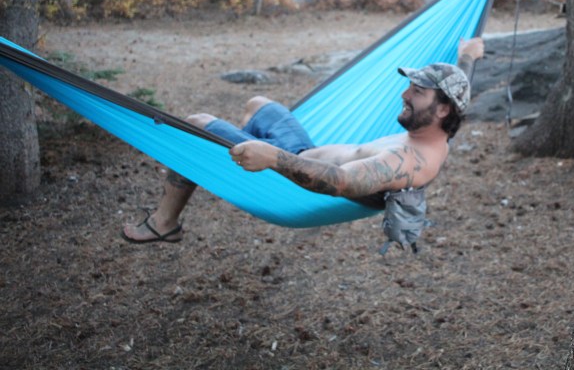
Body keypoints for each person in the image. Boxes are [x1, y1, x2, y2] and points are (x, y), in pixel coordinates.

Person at [122, 37, 485, 244]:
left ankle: (164, 223)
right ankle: (230, 158)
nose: (405, 95)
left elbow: (341, 181)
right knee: (258, 103)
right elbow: (458, 88)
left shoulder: (410, 162)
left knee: (195, 125)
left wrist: (274, 159)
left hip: (293, 179)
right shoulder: (440, 122)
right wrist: (468, 55)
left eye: (416, 91)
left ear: (440, 110)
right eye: (409, 85)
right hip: (303, 151)